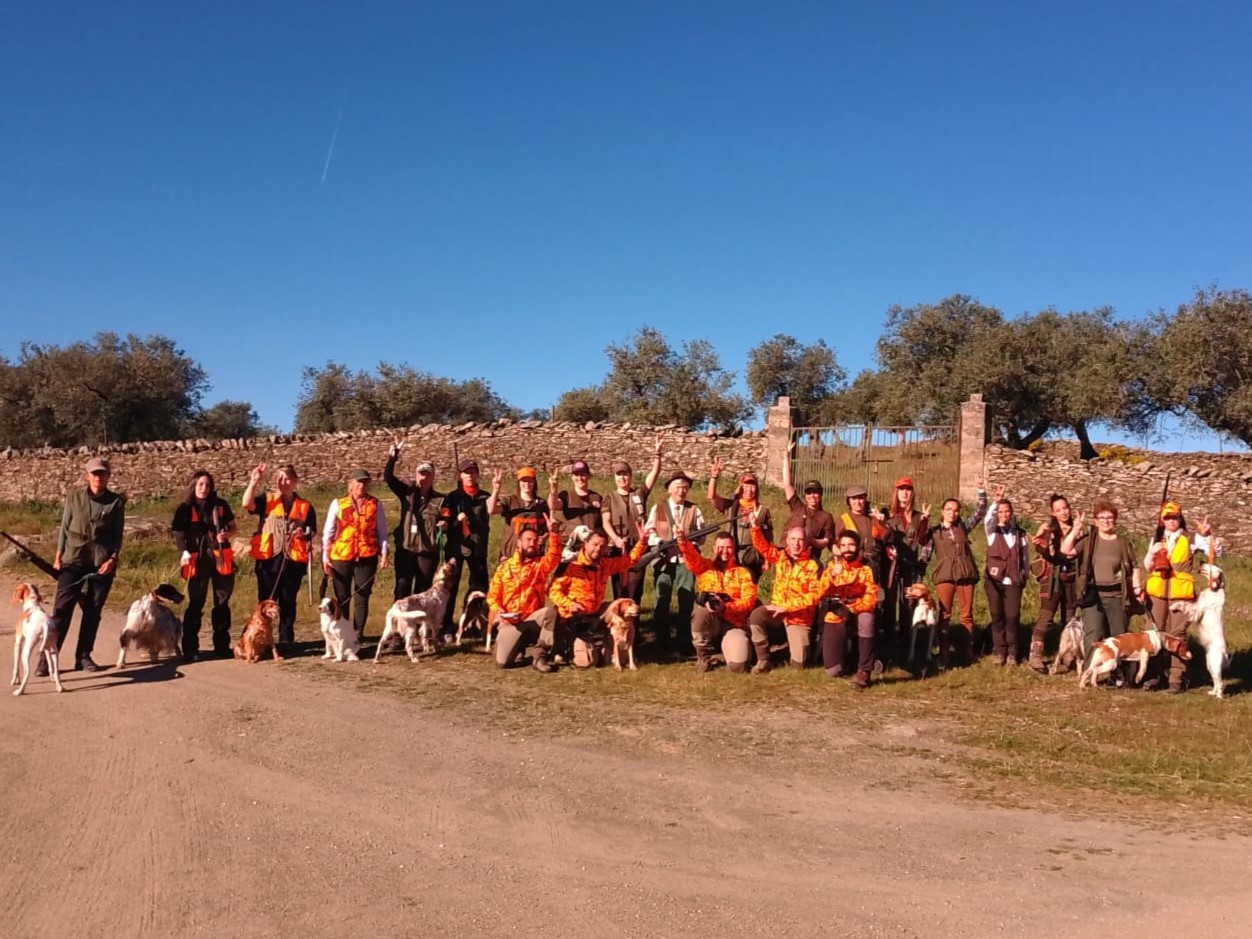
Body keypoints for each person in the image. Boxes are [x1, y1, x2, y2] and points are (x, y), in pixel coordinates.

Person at [46, 457, 125, 673]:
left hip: (101, 561)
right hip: (73, 558)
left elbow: (118, 535)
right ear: (87, 475)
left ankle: (83, 656)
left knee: (93, 610)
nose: (98, 477)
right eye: (94, 473)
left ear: (108, 476)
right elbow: (64, 527)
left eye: (102, 473)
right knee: (62, 609)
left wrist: (112, 559)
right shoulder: (74, 497)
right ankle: (48, 657)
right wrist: (58, 555)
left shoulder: (116, 502)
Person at [1142, 500, 1219, 693]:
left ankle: (1176, 678)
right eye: (1167, 517)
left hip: (1180, 593)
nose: (1171, 521)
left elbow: (1214, 552)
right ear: (1162, 520)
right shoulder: (1157, 538)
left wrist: (1207, 534)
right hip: (1157, 592)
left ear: (1180, 518)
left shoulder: (1190, 538)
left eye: (1175, 517)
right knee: (1154, 633)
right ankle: (1154, 675)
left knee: (1177, 634)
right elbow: (1147, 566)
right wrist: (1152, 553)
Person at [547, 530, 648, 670]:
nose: (598, 549)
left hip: (596, 613)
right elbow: (552, 590)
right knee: (587, 662)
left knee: (620, 604)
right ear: (586, 544)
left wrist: (643, 541)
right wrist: (570, 604)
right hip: (574, 619)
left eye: (602, 546)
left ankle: (619, 643)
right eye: (594, 544)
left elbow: (629, 561)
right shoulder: (571, 565)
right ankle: (568, 646)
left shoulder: (605, 564)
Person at [242, 463, 316, 649]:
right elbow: (246, 504)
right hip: (269, 560)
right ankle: (259, 640)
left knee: (288, 602)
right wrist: (253, 482)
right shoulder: (267, 500)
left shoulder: (305, 505)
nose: (284, 482)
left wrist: (303, 533)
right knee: (265, 603)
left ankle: (286, 640)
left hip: (293, 561)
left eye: (288, 478)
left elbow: (312, 531)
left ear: (295, 480)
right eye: (280, 478)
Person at [172, 470, 238, 661]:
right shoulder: (184, 508)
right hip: (197, 561)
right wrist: (183, 551)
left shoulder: (221, 505)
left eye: (208, 485)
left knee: (222, 603)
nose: (204, 488)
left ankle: (222, 646)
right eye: (201, 484)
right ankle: (190, 648)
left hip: (221, 559)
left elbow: (233, 526)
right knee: (196, 604)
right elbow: (178, 534)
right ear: (193, 485)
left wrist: (227, 535)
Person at [322, 469, 389, 640]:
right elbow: (328, 531)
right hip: (341, 555)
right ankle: (343, 633)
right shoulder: (338, 503)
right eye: (358, 482)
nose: (361, 485)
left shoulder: (375, 504)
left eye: (365, 482)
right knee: (342, 597)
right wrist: (325, 556)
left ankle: (358, 634)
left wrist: (384, 553)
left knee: (362, 595)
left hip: (367, 556)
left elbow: (382, 531)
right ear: (350, 484)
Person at [677, 529, 757, 673]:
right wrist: (683, 541)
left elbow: (749, 602)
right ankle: (704, 656)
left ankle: (732, 649)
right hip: (710, 623)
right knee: (701, 611)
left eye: (729, 547)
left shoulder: (743, 573)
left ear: (734, 549)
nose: (724, 551)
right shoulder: (704, 567)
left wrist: (725, 607)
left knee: (739, 667)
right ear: (714, 548)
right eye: (720, 547)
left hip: (733, 624)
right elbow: (691, 558)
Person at [747, 519, 822, 673]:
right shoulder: (780, 556)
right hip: (776, 613)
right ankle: (763, 660)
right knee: (757, 615)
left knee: (799, 665)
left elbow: (814, 596)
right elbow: (763, 547)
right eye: (793, 539)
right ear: (787, 540)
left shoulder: (814, 566)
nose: (796, 543)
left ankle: (794, 648)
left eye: (801, 539)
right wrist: (755, 527)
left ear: (807, 542)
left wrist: (786, 607)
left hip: (799, 618)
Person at [644, 471, 707, 651]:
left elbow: (701, 537)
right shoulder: (659, 508)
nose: (682, 491)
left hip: (685, 562)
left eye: (685, 487)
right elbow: (650, 532)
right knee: (661, 599)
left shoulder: (695, 509)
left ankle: (684, 640)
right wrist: (661, 543)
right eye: (678, 487)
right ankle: (661, 640)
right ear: (670, 489)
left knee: (686, 599)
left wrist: (688, 543)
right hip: (663, 562)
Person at [927, 485, 988, 668]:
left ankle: (968, 653)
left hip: (965, 575)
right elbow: (925, 553)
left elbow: (979, 513)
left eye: (955, 510)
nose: (952, 513)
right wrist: (917, 574)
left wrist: (981, 493)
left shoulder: (963, 527)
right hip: (944, 576)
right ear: (942, 511)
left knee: (966, 615)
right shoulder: (934, 532)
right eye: (948, 509)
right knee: (944, 616)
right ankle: (944, 654)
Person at [488, 525, 564, 671]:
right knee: (502, 663)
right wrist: (499, 612)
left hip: (532, 619)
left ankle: (539, 657)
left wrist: (554, 533)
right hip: (510, 622)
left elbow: (554, 556)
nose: (532, 544)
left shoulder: (540, 565)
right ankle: (517, 647)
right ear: (519, 543)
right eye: (528, 540)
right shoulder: (505, 567)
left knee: (550, 612)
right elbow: (493, 596)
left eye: (535, 541)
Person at [603, 438, 664, 601]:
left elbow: (654, 475)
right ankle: (618, 624)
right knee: (618, 588)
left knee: (635, 588)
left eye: (625, 474)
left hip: (638, 546)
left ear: (630, 476)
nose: (622, 478)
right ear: (614, 477)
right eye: (619, 475)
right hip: (617, 548)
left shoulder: (639, 493)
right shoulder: (609, 497)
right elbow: (605, 521)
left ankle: (633, 624)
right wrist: (615, 539)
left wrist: (657, 454)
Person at [384, 444, 446, 599]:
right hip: (406, 549)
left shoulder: (441, 499)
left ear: (433, 477)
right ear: (416, 475)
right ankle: (399, 622)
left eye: (428, 474)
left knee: (422, 591)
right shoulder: (406, 493)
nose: (424, 478)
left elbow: (447, 518)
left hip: (428, 552)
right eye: (422, 474)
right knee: (402, 588)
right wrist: (393, 457)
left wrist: (445, 524)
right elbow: (388, 478)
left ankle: (417, 623)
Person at [818, 529, 878, 688]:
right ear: (838, 547)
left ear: (858, 547)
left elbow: (871, 598)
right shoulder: (832, 566)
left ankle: (864, 671)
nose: (847, 548)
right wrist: (832, 577)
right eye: (843, 545)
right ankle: (851, 657)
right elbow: (818, 593)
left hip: (857, 610)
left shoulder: (867, 568)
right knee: (833, 671)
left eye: (851, 545)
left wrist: (852, 609)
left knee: (867, 619)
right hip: (836, 613)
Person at [1027, 494, 1079, 673]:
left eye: (1065, 508)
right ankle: (1035, 656)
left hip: (1071, 579)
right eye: (1058, 510)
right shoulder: (1049, 529)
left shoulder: (1077, 528)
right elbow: (1042, 548)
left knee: (1069, 619)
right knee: (1046, 617)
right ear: (1053, 512)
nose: (1063, 512)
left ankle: (1067, 655)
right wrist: (1040, 543)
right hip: (1052, 579)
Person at [884, 477, 931, 673]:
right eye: (901, 489)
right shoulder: (887, 514)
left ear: (912, 492)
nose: (905, 493)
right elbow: (882, 538)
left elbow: (923, 541)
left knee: (907, 608)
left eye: (908, 489)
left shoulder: (920, 516)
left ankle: (906, 652)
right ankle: (887, 651)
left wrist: (924, 523)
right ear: (896, 492)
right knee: (888, 609)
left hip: (910, 570)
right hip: (891, 569)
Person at [440, 459, 491, 632]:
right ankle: (446, 625)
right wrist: (457, 520)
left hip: (477, 547)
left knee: (479, 586)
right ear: (460, 475)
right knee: (450, 587)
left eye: (472, 472)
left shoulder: (485, 497)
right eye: (466, 472)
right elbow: (446, 526)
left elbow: (488, 520)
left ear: (477, 474)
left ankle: (472, 622)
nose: (470, 475)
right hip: (456, 546)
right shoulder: (452, 498)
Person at [982, 489, 1029, 666]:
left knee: (1012, 616)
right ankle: (999, 650)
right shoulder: (992, 531)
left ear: (1011, 513)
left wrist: (1025, 574)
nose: (1003, 515)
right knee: (997, 616)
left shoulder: (1020, 533)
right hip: (994, 581)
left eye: (1006, 511)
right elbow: (987, 519)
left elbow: (1025, 557)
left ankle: (1013, 652)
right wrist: (995, 502)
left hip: (1013, 580)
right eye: (1000, 512)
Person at [708, 456, 772, 582]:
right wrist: (714, 477)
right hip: (730, 553)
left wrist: (767, 560)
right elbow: (712, 497)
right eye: (746, 485)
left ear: (757, 489)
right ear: (741, 487)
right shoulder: (731, 505)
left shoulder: (763, 511)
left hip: (751, 556)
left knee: (748, 588)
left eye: (752, 486)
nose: (749, 489)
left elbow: (769, 538)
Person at [781, 443, 835, 560]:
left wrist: (810, 540)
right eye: (809, 493)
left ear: (820, 495)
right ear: (805, 495)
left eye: (815, 492)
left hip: (809, 559)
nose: (812, 496)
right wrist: (786, 457)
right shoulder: (797, 507)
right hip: (787, 556)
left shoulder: (826, 517)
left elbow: (825, 542)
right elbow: (787, 484)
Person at [489, 465, 550, 561]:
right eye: (523, 481)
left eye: (530, 481)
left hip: (533, 556)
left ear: (534, 483)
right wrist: (496, 490)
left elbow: (548, 528)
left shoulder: (542, 503)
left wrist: (543, 537)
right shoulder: (510, 501)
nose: (527, 484)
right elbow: (491, 510)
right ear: (519, 483)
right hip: (510, 556)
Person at [552, 459, 604, 535]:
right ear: (572, 477)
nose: (579, 478)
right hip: (572, 543)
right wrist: (553, 489)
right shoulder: (565, 495)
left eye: (583, 475)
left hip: (592, 543)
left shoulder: (597, 497)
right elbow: (554, 505)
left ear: (588, 476)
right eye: (576, 475)